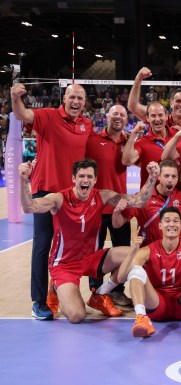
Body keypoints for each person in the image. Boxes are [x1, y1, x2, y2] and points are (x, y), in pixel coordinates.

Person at [19, 158, 160, 323]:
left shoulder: (102, 195)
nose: (85, 180)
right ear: (74, 179)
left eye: (89, 177)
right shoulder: (59, 199)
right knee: (77, 316)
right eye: (81, 176)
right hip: (65, 265)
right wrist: (23, 180)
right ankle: (56, 287)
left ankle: (100, 293)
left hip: (91, 258)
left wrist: (152, 178)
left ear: (95, 180)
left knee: (136, 254)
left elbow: (139, 201)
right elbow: (29, 207)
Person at [11, 83, 95, 320]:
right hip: (45, 192)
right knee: (43, 245)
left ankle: (63, 287)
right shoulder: (47, 116)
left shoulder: (85, 125)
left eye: (80, 98)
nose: (76, 101)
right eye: (72, 97)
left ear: (84, 101)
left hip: (72, 196)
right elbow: (22, 114)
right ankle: (38, 301)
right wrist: (15, 98)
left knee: (74, 246)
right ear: (64, 98)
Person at [118, 207, 181, 338]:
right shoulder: (147, 250)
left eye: (176, 221)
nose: (172, 224)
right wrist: (132, 251)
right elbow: (121, 278)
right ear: (160, 225)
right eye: (167, 221)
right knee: (136, 270)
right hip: (156, 304)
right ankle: (141, 317)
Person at [85, 104, 135, 306]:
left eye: (122, 115)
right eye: (115, 113)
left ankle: (116, 291)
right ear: (106, 116)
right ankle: (95, 291)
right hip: (95, 207)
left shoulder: (129, 142)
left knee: (123, 250)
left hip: (120, 207)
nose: (118, 117)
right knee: (95, 251)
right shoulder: (92, 140)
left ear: (126, 119)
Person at [128, 67, 181, 133]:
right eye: (178, 101)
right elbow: (133, 106)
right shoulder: (160, 118)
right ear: (171, 103)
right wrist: (138, 78)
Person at [122, 102, 171, 186]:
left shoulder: (177, 135)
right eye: (153, 116)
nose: (157, 119)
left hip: (175, 195)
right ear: (147, 118)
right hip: (150, 196)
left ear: (166, 116)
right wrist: (134, 133)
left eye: (160, 115)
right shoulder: (142, 142)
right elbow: (127, 161)